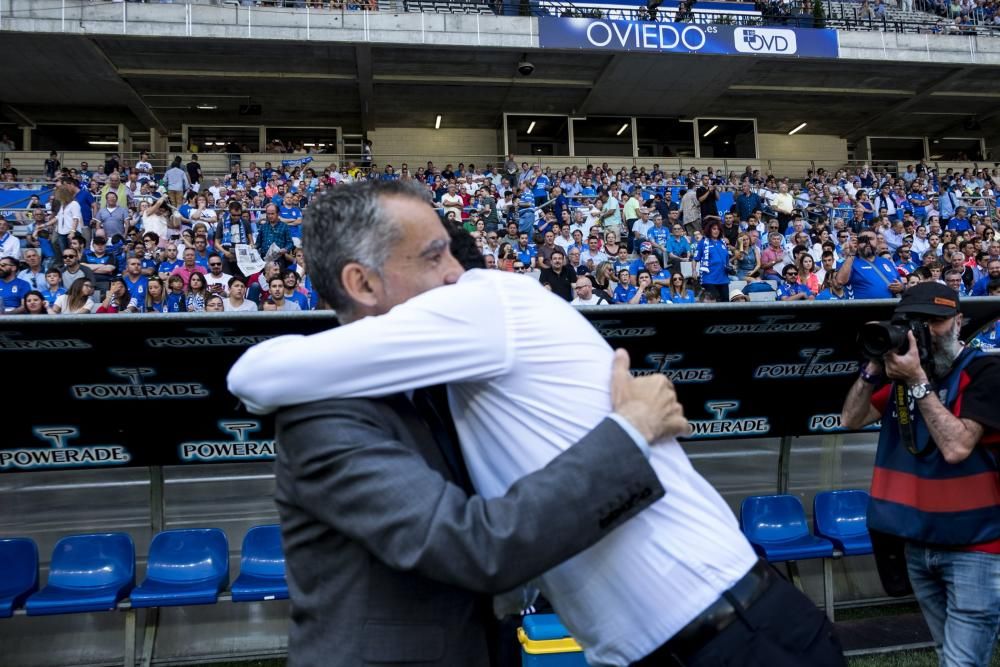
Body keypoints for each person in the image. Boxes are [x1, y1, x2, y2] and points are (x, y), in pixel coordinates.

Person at [228, 180, 845, 667]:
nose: (456, 271)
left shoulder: (485, 299)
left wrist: (631, 430)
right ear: (360, 281)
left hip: (731, 632)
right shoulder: (352, 398)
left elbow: (255, 375)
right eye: (435, 254)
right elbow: (254, 374)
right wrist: (630, 429)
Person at [840, 282, 999, 667]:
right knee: (949, 655)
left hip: (976, 549)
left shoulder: (986, 371)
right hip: (918, 543)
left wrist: (917, 382)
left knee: (960, 663)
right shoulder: (899, 379)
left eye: (938, 321)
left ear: (959, 321)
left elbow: (957, 447)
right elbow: (850, 419)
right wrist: (873, 366)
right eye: (917, 322)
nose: (928, 331)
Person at [835, 229, 904, 299]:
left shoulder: (886, 262)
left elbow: (900, 283)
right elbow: (840, 281)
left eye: (871, 239)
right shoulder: (849, 262)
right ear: (858, 243)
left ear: (877, 242)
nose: (867, 242)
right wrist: (852, 253)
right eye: (864, 239)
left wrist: (901, 287)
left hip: (890, 307)